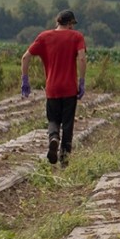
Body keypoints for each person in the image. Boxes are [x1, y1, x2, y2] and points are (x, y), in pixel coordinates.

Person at [21, 10, 87, 167]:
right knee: (68, 123)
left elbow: (25, 57)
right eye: (72, 24)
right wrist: (82, 81)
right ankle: (64, 159)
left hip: (52, 88)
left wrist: (25, 79)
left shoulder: (44, 37)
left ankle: (53, 138)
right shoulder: (77, 36)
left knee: (53, 119)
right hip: (69, 88)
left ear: (58, 22)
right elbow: (82, 58)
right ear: (70, 23)